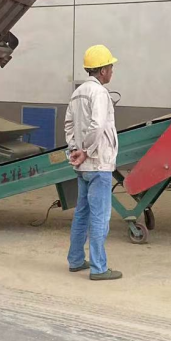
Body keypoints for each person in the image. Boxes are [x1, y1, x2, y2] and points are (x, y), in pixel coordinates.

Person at [65, 45, 122, 281]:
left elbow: (69, 124)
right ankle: (99, 268)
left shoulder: (78, 93)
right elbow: (97, 125)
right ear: (102, 70)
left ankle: (76, 260)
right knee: (100, 217)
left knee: (82, 213)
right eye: (110, 67)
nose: (112, 71)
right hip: (98, 164)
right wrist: (87, 151)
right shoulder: (99, 93)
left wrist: (75, 149)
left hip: (83, 166)